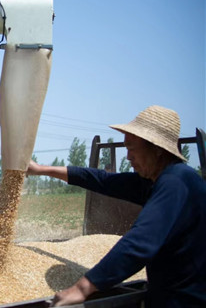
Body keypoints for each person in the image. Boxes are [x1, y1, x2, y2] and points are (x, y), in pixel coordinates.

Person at [26, 105, 206, 307]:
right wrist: (41, 169)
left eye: (131, 148)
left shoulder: (176, 183)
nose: (128, 157)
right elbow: (100, 180)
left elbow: (140, 242)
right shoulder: (156, 180)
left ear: (156, 150)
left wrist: (82, 288)